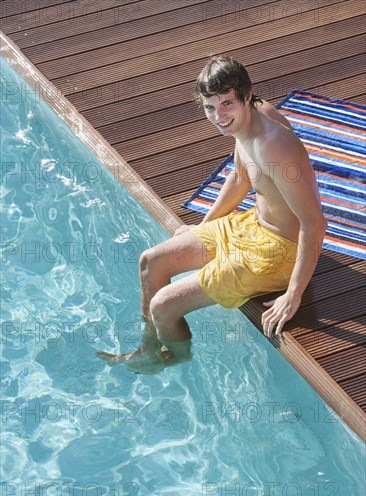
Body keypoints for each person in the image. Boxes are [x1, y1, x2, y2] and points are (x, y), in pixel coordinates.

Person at [97, 55, 327, 369]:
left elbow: (314, 222)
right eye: (209, 107)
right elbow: (239, 176)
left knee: (163, 305)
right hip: (253, 226)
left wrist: (293, 294)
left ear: (246, 96)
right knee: (151, 261)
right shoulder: (250, 117)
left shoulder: (273, 145)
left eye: (226, 104)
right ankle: (149, 347)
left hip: (278, 253)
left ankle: (178, 359)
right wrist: (204, 228)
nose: (219, 116)